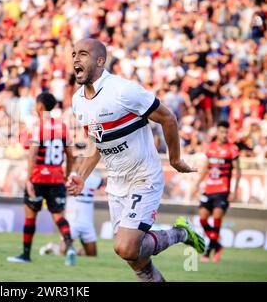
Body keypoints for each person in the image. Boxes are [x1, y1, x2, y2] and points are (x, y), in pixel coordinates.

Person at [67, 38, 205, 282]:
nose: (76, 58)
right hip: (117, 183)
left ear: (100, 61)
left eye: (83, 54)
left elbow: (168, 118)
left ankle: (181, 233)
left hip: (144, 176)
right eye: (73, 54)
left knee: (126, 247)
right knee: (133, 257)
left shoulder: (122, 90)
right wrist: (81, 175)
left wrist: (174, 159)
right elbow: (96, 141)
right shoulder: (78, 101)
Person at [7, 93, 76, 266]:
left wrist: (29, 179)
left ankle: (25, 255)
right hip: (56, 178)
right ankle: (70, 247)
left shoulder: (38, 127)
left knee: (30, 217)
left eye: (35, 104)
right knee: (58, 216)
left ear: (40, 106)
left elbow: (33, 154)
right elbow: (70, 155)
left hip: (38, 177)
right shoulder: (63, 127)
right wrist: (67, 175)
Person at [40, 144, 103, 257]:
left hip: (88, 224)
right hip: (73, 222)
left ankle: (76, 251)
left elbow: (104, 182)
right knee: (63, 252)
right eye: (79, 161)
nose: (82, 163)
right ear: (74, 163)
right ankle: (53, 247)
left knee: (92, 255)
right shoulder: (70, 177)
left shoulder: (92, 178)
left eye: (82, 161)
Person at [191, 121, 241, 262]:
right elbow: (206, 168)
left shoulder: (232, 149)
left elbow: (238, 171)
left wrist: (234, 191)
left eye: (226, 132)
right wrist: (197, 184)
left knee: (217, 219)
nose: (224, 134)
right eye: (221, 131)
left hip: (223, 190)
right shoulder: (210, 148)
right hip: (209, 189)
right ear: (217, 132)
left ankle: (208, 252)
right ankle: (218, 246)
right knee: (202, 219)